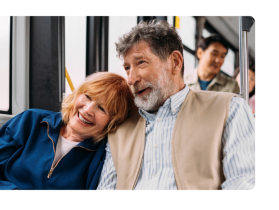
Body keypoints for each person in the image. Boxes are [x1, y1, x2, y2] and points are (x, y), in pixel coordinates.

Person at [97, 20, 256, 191]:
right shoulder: (119, 131)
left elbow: (243, 182)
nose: (131, 79)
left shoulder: (230, 109)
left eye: (141, 62)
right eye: (127, 68)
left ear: (175, 62)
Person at [0, 72, 135, 191]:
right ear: (77, 94)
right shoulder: (29, 121)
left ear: (112, 122)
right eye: (88, 97)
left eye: (102, 109)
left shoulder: (102, 156)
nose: (88, 110)